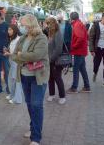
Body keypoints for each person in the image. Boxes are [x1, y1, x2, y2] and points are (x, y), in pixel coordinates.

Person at [5, 14, 49, 145]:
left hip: (37, 77)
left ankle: (36, 137)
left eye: (23, 24)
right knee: (30, 104)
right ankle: (33, 128)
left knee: (36, 105)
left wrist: (20, 55)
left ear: (30, 24)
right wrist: (19, 56)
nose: (21, 27)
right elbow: (15, 55)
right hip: (24, 76)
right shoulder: (23, 38)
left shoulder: (41, 38)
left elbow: (36, 55)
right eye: (20, 25)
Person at [67, 12, 91, 93]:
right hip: (81, 51)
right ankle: (87, 86)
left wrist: (73, 46)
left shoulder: (76, 25)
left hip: (78, 51)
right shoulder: (80, 24)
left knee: (76, 69)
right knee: (82, 69)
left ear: (71, 18)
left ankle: (74, 87)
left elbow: (80, 38)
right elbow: (86, 36)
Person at [89, 12, 104, 86]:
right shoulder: (95, 25)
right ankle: (95, 73)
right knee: (96, 64)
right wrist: (91, 50)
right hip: (98, 48)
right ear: (102, 18)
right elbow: (91, 37)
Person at [45, 17, 66, 104]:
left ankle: (62, 96)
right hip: (49, 60)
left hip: (56, 60)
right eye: (47, 23)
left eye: (48, 23)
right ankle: (51, 94)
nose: (47, 25)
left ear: (53, 23)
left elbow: (58, 49)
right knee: (50, 78)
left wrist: (51, 59)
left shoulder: (58, 33)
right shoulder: (50, 33)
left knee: (58, 78)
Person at [5, 24, 23, 104]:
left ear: (14, 30)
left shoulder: (19, 39)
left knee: (16, 80)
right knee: (11, 79)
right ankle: (12, 95)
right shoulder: (12, 39)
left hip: (16, 62)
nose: (8, 31)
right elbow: (12, 51)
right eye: (8, 30)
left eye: (10, 30)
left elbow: (19, 53)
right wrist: (7, 51)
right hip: (12, 61)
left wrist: (9, 54)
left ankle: (17, 98)